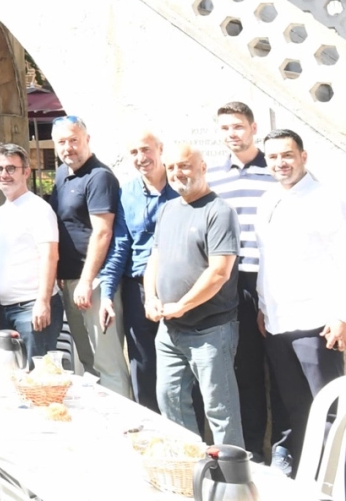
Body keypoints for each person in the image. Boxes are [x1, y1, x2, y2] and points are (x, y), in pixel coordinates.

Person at [257, 129, 346, 489]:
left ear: (303, 156)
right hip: (278, 326)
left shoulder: (326, 200)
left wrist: (344, 315)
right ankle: (309, 489)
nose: (280, 163)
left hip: (318, 326)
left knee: (332, 413)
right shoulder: (268, 200)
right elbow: (268, 262)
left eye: (287, 155)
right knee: (299, 413)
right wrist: (263, 306)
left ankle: (340, 493)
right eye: (273, 157)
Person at [144, 143, 242, 448]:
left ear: (203, 167)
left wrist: (183, 305)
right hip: (169, 330)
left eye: (184, 165)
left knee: (220, 410)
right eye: (172, 167)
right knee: (169, 399)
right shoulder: (168, 209)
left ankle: (231, 474)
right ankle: (187, 465)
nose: (177, 173)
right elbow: (154, 258)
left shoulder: (219, 212)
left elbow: (219, 272)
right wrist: (150, 298)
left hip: (210, 330)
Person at [208, 100, 281, 460]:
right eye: (225, 128)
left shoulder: (276, 170)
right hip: (232, 282)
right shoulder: (214, 177)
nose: (231, 134)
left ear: (253, 128)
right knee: (245, 369)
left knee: (280, 369)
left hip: (271, 279)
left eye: (238, 126)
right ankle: (253, 451)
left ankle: (285, 451)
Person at [49, 116, 130, 396]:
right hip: (72, 281)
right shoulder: (62, 173)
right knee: (88, 360)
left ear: (87, 140)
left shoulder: (99, 177)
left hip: (94, 282)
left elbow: (102, 232)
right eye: (61, 142)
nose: (68, 147)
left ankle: (121, 419)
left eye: (74, 140)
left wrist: (86, 281)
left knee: (108, 363)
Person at [101, 130, 179, 410]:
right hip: (139, 289)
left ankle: (189, 430)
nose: (140, 157)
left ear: (160, 149)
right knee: (143, 364)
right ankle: (150, 424)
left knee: (183, 366)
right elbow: (120, 245)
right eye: (134, 152)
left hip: (179, 287)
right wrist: (107, 293)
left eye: (146, 149)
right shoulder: (127, 194)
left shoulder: (181, 186)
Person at [0, 143, 61, 362]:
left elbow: (50, 256)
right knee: (13, 373)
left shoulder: (38, 209)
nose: (4, 174)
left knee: (36, 375)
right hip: (6, 309)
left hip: (32, 308)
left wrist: (43, 302)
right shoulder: (1, 211)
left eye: (11, 168)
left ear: (26, 172)